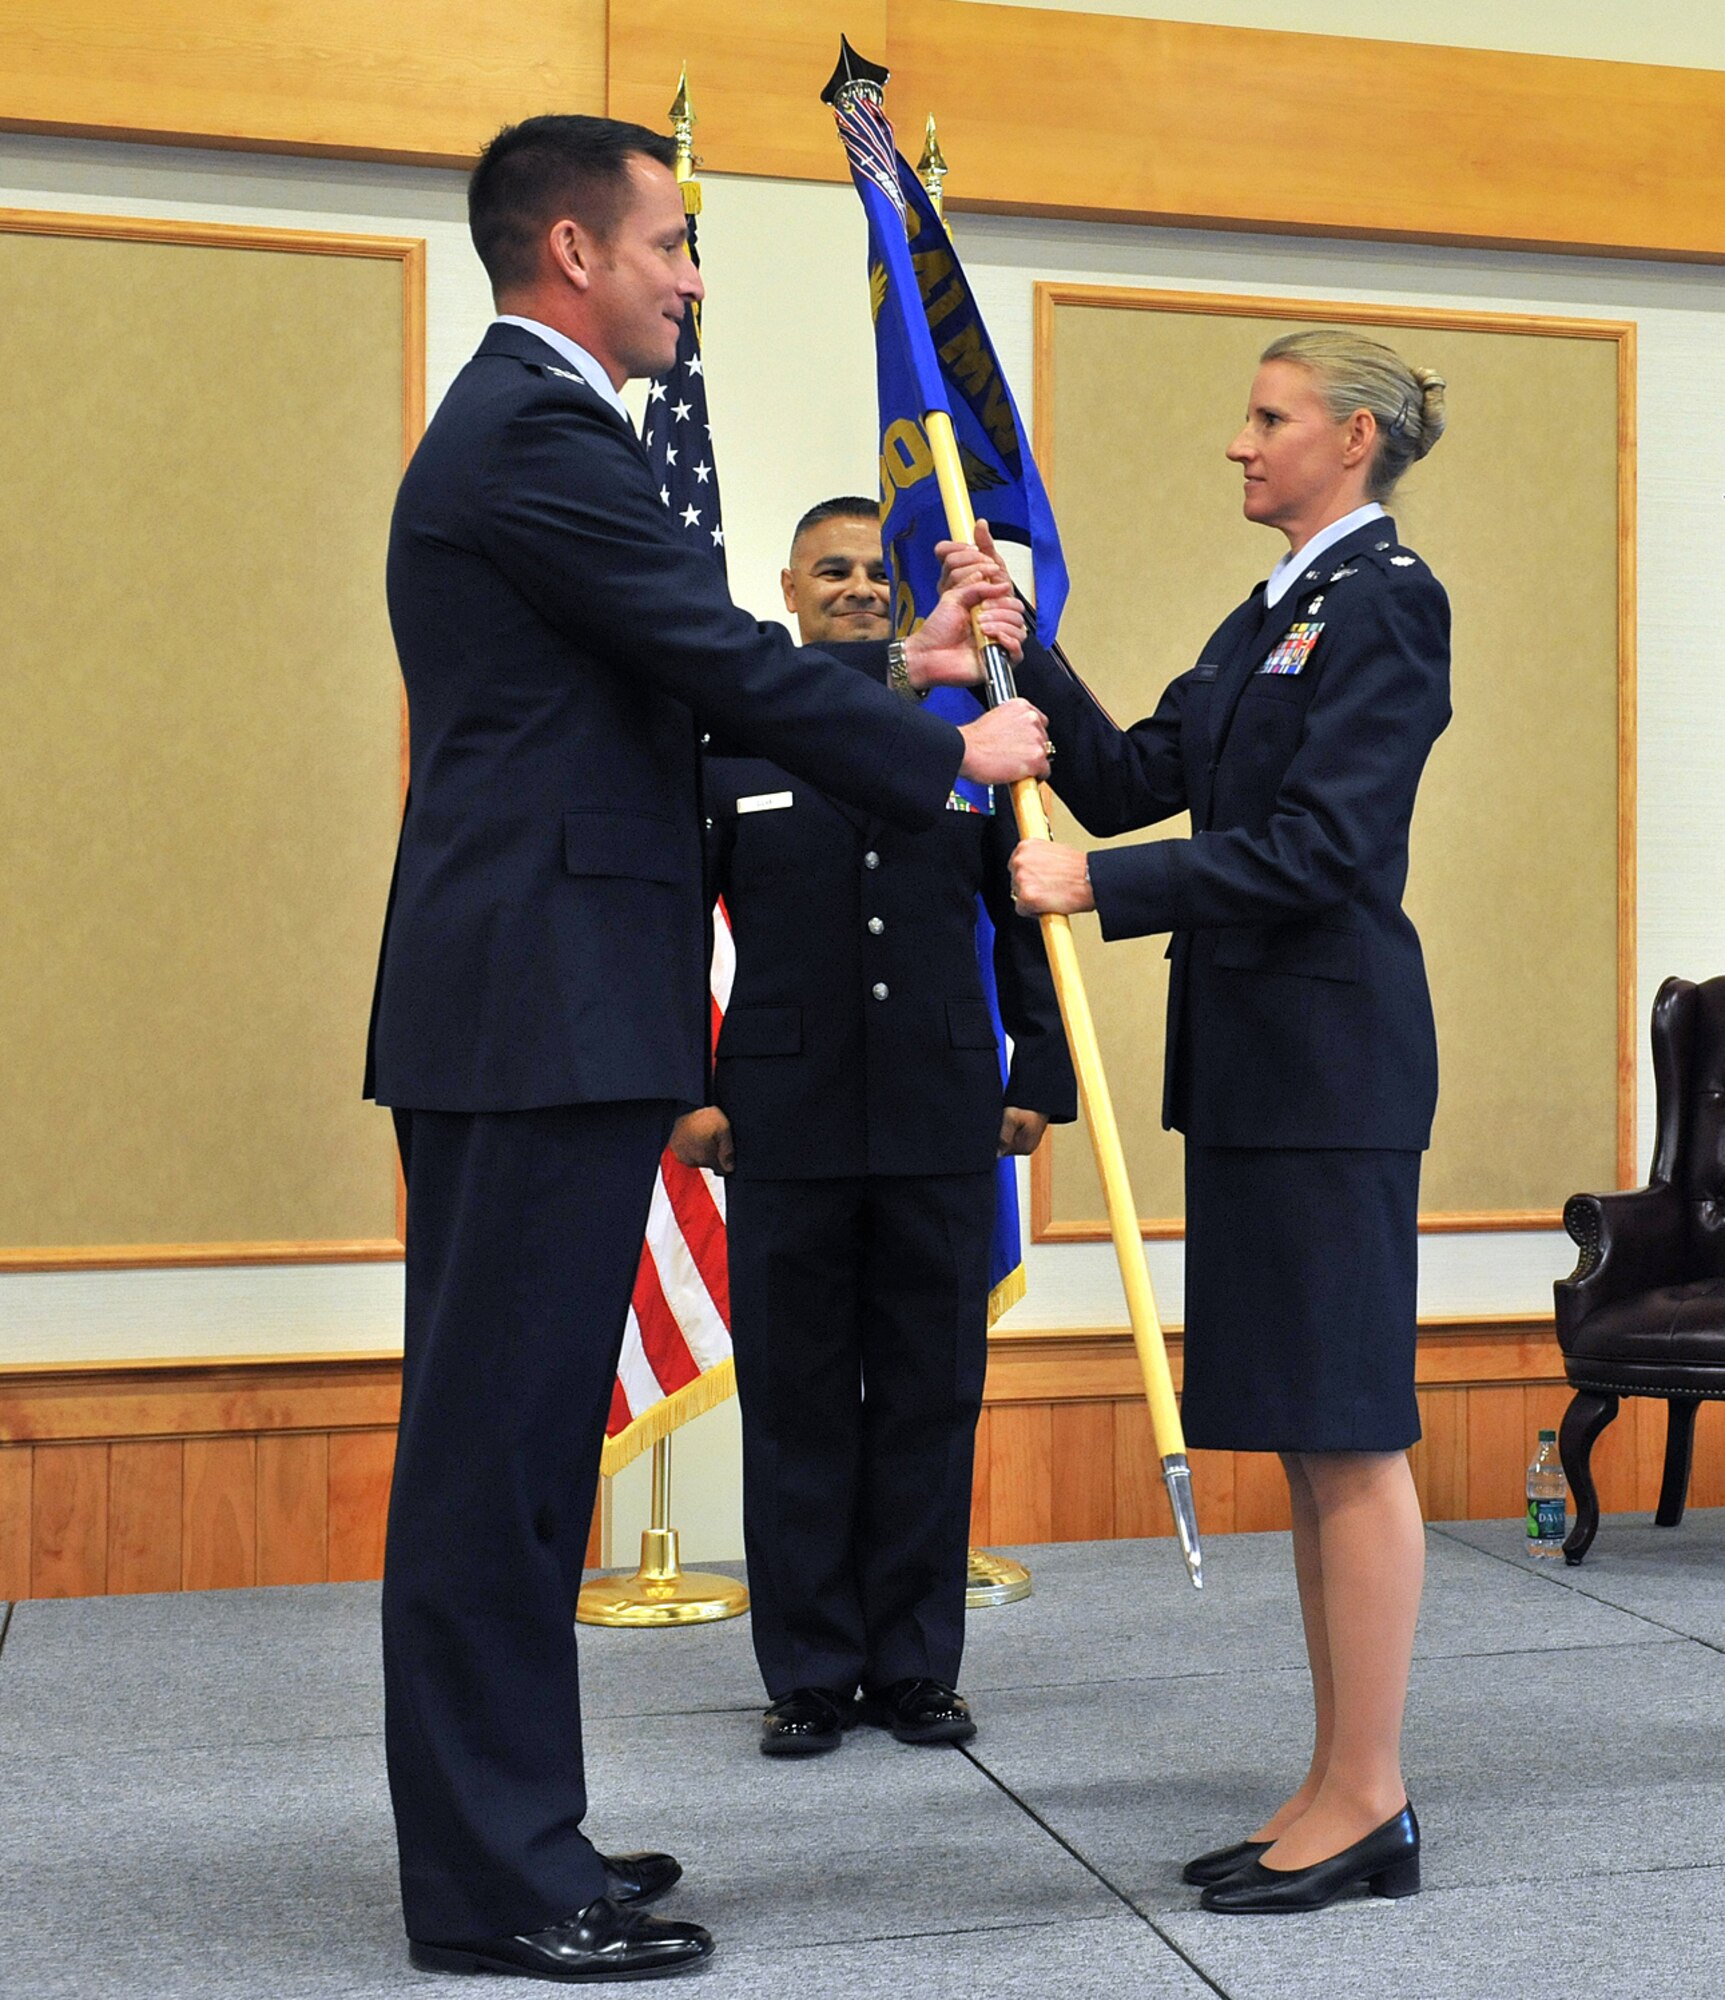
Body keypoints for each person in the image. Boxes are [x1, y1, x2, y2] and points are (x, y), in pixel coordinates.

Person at [364, 114, 1050, 1985]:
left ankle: (524, 1832)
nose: (689, 277)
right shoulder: (537, 429)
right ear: (574, 252)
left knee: (515, 1458)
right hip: (533, 1012)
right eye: (672, 243)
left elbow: (690, 666)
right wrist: (947, 748)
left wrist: (894, 675)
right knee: (499, 1461)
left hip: (547, 1003)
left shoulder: (536, 428)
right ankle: (499, 1884)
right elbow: (713, 657)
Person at [986, 328, 1450, 1914]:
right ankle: (1333, 1781)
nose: (1238, 445)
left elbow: (1326, 850)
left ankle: (1373, 1793)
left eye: (1268, 419)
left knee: (1352, 1429)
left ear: (1357, 440)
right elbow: (1127, 775)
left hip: (1331, 1066)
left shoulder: (1388, 604)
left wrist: (1095, 890)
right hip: (1259, 1066)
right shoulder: (1272, 611)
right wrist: (1021, 642)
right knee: (1312, 1442)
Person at [670, 498, 1077, 1760]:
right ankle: (807, 1672)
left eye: (872, 572)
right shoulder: (730, 747)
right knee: (796, 1402)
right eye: (829, 571)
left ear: (904, 597)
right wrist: (689, 1083)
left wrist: (1040, 1069)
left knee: (927, 1396)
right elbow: (675, 929)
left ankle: (913, 1668)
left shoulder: (974, 744)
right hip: (778, 1117)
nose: (855, 587)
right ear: (787, 591)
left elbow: (1023, 919)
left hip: (941, 1109)